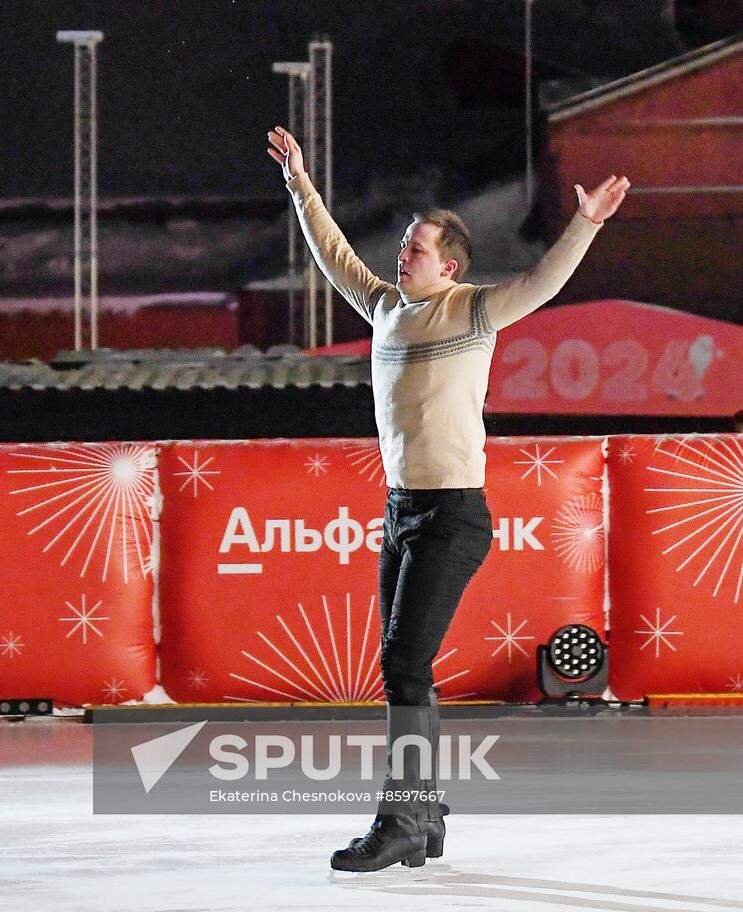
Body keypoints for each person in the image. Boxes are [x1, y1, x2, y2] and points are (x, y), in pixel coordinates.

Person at [267, 125, 628, 872]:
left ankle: (403, 818)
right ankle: (423, 817)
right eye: (403, 245)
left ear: (450, 265)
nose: (401, 255)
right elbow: (334, 252)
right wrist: (301, 183)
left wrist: (585, 224)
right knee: (403, 666)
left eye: (416, 249)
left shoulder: (470, 311)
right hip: (400, 512)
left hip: (453, 515)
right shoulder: (383, 309)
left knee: (404, 662)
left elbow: (543, 284)